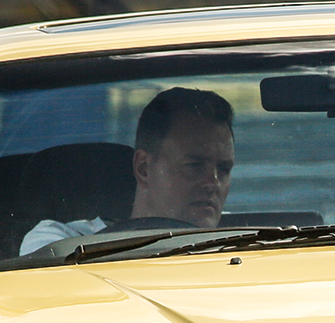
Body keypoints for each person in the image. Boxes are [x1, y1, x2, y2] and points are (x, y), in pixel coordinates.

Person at [20, 87, 235, 254]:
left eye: (223, 169)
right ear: (143, 169)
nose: (213, 183)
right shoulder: (59, 242)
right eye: (194, 166)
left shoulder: (249, 238)